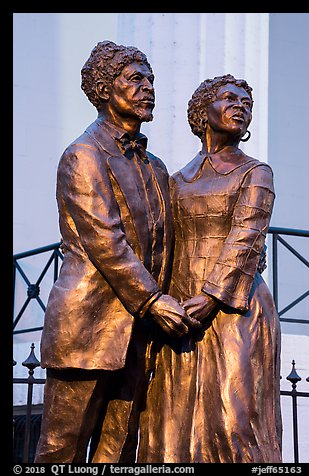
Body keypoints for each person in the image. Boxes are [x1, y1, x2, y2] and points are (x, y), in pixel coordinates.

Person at [34, 40, 199, 464]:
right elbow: (106, 241)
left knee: (120, 449)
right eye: (135, 79)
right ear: (106, 89)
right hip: (89, 326)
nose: (148, 88)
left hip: (142, 332)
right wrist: (153, 300)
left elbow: (175, 240)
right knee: (61, 451)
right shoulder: (84, 155)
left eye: (151, 80)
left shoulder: (157, 167)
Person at [137, 74, 283, 463]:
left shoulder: (256, 173)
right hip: (181, 312)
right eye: (230, 99)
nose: (241, 106)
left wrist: (211, 296)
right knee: (170, 423)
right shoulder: (173, 180)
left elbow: (247, 237)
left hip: (236, 309)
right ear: (203, 112)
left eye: (247, 104)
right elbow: (162, 245)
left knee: (234, 421)